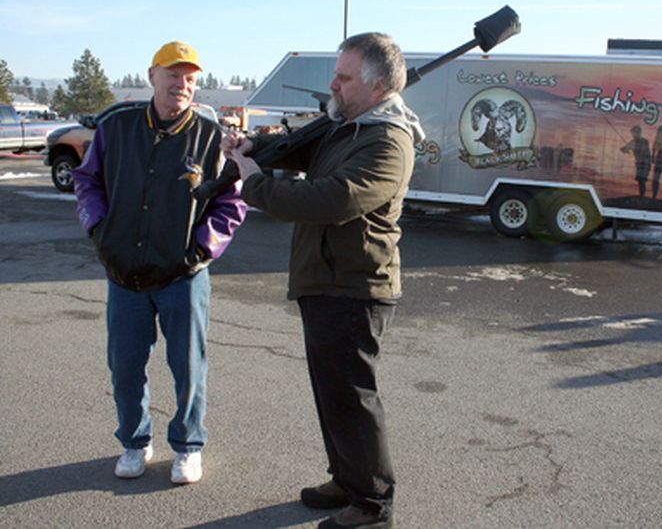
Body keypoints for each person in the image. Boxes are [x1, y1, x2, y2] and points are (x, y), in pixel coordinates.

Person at [223, 32, 423, 529]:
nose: (332, 83)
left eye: (344, 76)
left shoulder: (387, 140)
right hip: (326, 281)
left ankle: (374, 507)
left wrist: (253, 181)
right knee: (332, 393)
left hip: (354, 288)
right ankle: (347, 480)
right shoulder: (350, 125)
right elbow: (304, 149)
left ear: (377, 87)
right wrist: (257, 146)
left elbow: (328, 199)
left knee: (353, 398)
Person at [72, 41, 247, 484]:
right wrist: (99, 229)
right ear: (152, 75)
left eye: (190, 78)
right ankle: (134, 443)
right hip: (124, 274)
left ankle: (188, 446)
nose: (181, 85)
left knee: (189, 367)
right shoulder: (118, 128)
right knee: (126, 365)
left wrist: (203, 249)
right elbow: (87, 181)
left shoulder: (211, 137)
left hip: (183, 276)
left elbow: (232, 202)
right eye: (173, 75)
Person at [620, 125, 651, 197]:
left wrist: (632, 149)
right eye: (632, 133)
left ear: (638, 133)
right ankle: (641, 195)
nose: (633, 135)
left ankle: (642, 195)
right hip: (639, 163)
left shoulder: (644, 141)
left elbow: (643, 151)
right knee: (640, 180)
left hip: (645, 163)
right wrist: (626, 150)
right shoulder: (633, 142)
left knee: (642, 179)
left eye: (634, 133)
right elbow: (623, 149)